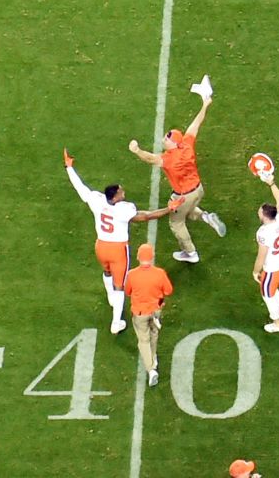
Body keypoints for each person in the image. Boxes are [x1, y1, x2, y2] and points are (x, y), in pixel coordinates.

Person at [63, 149, 179, 333]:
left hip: (101, 245)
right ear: (115, 197)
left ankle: (111, 297)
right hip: (117, 250)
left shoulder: (97, 200)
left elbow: (80, 187)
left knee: (106, 272)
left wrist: (69, 168)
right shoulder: (124, 209)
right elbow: (146, 216)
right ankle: (116, 322)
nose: (123, 192)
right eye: (121, 191)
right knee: (120, 285)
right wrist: (169, 209)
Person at [128, 88, 224, 263]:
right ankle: (205, 217)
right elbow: (195, 125)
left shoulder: (169, 159)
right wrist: (205, 105)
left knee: (176, 223)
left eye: (167, 138)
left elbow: (150, 159)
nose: (164, 138)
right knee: (188, 211)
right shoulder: (186, 145)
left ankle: (190, 253)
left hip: (183, 196)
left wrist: (136, 150)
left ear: (173, 143)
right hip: (198, 190)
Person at [124, 243, 173, 386]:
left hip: (140, 313)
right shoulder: (159, 273)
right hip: (155, 310)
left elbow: (127, 291)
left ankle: (151, 370)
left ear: (139, 258)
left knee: (143, 340)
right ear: (152, 258)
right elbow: (169, 290)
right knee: (154, 333)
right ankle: (153, 357)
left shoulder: (132, 274)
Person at [251, 175, 279, 333]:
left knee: (268, 295)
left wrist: (255, 271)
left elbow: (261, 256)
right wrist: (272, 183)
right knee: (274, 291)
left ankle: (277, 323)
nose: (258, 213)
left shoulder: (264, 232)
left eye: (260, 212)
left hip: (272, 270)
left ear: (265, 217)